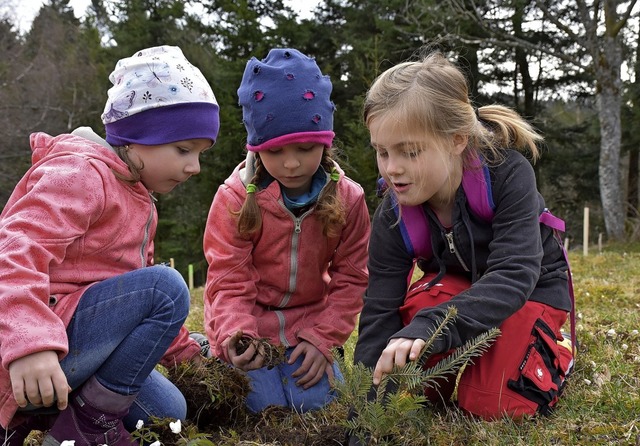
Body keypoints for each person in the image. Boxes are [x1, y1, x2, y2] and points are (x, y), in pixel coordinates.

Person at [0, 45, 220, 445]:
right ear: (137, 138)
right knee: (166, 286)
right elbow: (14, 251)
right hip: (34, 347)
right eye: (183, 150)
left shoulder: (136, 195)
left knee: (169, 411)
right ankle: (86, 427)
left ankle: (55, 421)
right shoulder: (80, 173)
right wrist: (29, 344)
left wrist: (186, 355)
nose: (194, 167)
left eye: (200, 154)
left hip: (74, 348)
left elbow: (134, 301)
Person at [353, 50, 574, 423]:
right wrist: (365, 401)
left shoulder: (507, 175)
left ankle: (552, 350)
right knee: (407, 391)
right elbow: (380, 308)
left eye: (409, 151)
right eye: (382, 152)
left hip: (529, 288)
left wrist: (431, 327)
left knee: (494, 402)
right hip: (457, 288)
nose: (393, 169)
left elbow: (514, 275)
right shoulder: (394, 210)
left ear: (456, 139)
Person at [201, 48, 370, 414]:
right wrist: (238, 336)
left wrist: (324, 338)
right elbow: (228, 281)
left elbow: (352, 278)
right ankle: (209, 347)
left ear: (324, 140)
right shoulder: (233, 198)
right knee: (262, 407)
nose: (291, 163)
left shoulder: (349, 199)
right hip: (249, 324)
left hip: (308, 326)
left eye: (305, 148)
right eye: (275, 152)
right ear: (256, 148)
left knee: (317, 406)